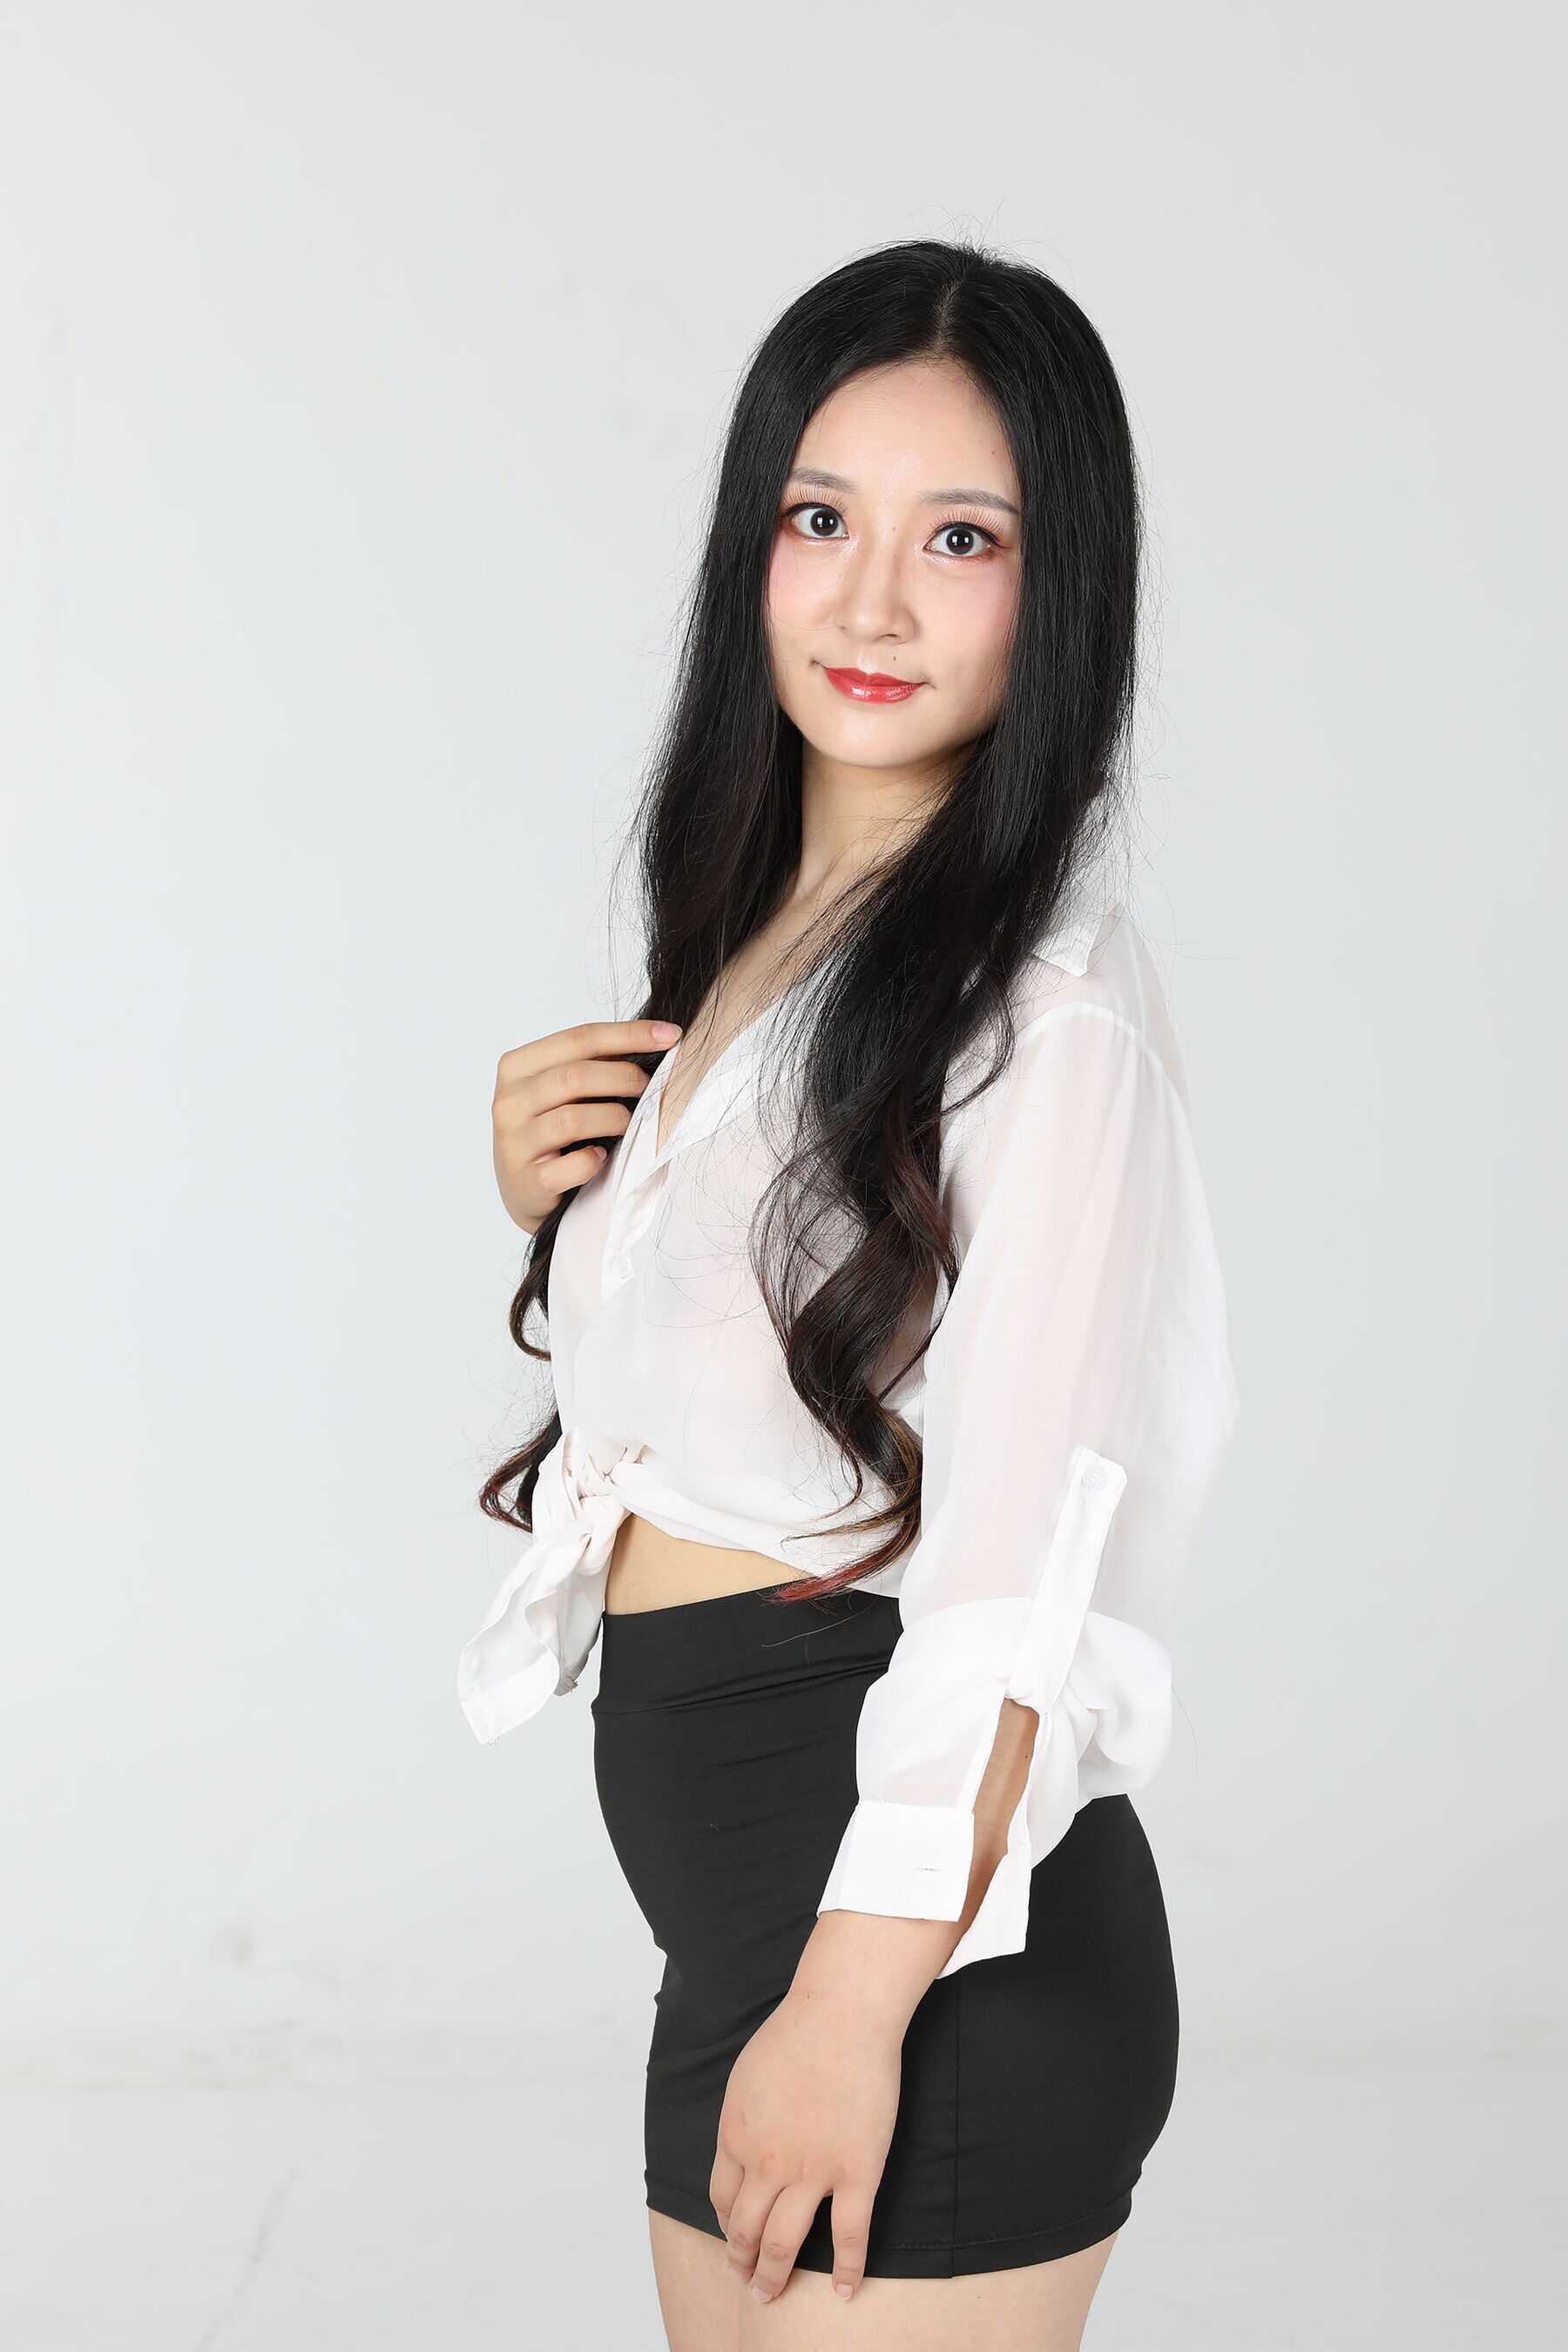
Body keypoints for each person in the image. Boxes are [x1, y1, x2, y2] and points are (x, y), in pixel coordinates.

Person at [461, 235, 1240, 2349]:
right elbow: (734, 1398)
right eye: (823, 519)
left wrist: (851, 2003)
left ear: (1058, 591)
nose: (873, 601)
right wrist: (570, 1204)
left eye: (960, 539)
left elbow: (1025, 1561)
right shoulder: (754, 941)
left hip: (918, 1973)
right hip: (738, 1947)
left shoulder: (1052, 1005)